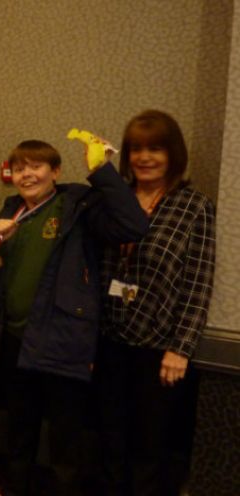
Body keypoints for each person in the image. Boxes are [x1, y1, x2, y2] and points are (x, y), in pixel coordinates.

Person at [0, 139, 148, 496]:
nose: (27, 174)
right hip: (15, 339)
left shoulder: (77, 208)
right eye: (19, 168)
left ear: (55, 171)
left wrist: (102, 172)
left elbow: (133, 226)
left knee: (65, 438)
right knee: (19, 430)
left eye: (36, 166)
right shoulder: (9, 211)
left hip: (62, 339)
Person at [97, 110, 216, 496]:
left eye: (155, 149)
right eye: (136, 149)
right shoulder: (115, 199)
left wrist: (180, 348)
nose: (144, 157)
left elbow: (198, 283)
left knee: (150, 448)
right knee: (108, 439)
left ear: (173, 154)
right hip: (109, 340)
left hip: (159, 349)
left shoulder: (193, 206)